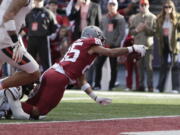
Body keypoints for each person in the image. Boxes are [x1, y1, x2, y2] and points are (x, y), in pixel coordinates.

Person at [0, 26, 146, 120]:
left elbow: (81, 80)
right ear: (93, 36)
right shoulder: (91, 44)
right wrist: (133, 48)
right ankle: (8, 101)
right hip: (59, 78)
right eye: (100, 38)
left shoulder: (79, 46)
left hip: (52, 73)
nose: (101, 41)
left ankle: (4, 106)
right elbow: (111, 52)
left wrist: (95, 97)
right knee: (39, 112)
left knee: (29, 111)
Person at [0, 0, 40, 90]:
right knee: (34, 73)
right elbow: (7, 16)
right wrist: (15, 42)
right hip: (6, 41)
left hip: (4, 37)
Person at [93, 0, 126, 90]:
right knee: (98, 64)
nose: (112, 6)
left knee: (113, 66)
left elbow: (122, 33)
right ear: (107, 6)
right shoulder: (104, 18)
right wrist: (101, 42)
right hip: (104, 46)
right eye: (110, 5)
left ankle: (111, 85)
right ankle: (97, 84)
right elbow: (100, 31)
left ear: (117, 6)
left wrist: (116, 44)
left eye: (113, 5)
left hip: (114, 46)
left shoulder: (120, 18)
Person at [129, 0, 156, 92]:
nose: (143, 6)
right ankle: (140, 85)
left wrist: (146, 28)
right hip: (138, 46)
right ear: (139, 6)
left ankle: (150, 86)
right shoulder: (135, 18)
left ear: (148, 5)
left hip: (148, 46)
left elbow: (154, 32)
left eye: (145, 4)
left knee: (149, 67)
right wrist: (137, 30)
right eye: (142, 5)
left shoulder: (153, 17)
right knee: (139, 67)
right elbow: (131, 32)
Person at [25, 0, 58, 72]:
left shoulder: (48, 13)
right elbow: (25, 25)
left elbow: (54, 27)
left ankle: (48, 81)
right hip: (31, 39)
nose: (37, 1)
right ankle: (28, 82)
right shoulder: (29, 13)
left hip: (43, 39)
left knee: (46, 61)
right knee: (29, 61)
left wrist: (47, 33)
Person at [156, 0, 180, 92]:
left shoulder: (177, 17)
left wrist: (173, 21)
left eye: (169, 7)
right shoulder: (160, 18)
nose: (167, 9)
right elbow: (157, 31)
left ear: (172, 8)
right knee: (163, 67)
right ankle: (160, 88)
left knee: (175, 67)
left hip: (174, 45)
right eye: (166, 7)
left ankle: (176, 88)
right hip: (164, 44)